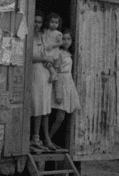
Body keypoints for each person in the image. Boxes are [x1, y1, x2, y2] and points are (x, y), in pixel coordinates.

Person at [30, 13, 58, 151]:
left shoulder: (41, 36)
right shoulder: (27, 36)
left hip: (44, 74)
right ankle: (35, 137)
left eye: (40, 22)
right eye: (35, 21)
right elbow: (28, 57)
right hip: (35, 73)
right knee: (36, 105)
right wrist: (45, 58)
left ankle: (44, 138)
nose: (37, 24)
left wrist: (51, 68)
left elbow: (48, 57)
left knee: (45, 107)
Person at [49, 28, 81, 140]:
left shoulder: (68, 53)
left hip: (68, 83)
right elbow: (56, 71)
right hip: (60, 83)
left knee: (64, 115)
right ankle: (48, 138)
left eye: (69, 39)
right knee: (59, 117)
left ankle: (50, 139)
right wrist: (58, 92)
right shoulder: (59, 53)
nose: (66, 41)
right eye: (64, 39)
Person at [42, 13, 63, 84]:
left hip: (53, 51)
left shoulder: (57, 33)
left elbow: (61, 43)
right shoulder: (45, 31)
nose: (54, 24)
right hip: (46, 50)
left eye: (56, 22)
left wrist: (53, 45)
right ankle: (53, 74)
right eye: (52, 22)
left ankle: (53, 73)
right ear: (48, 22)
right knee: (46, 61)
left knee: (49, 63)